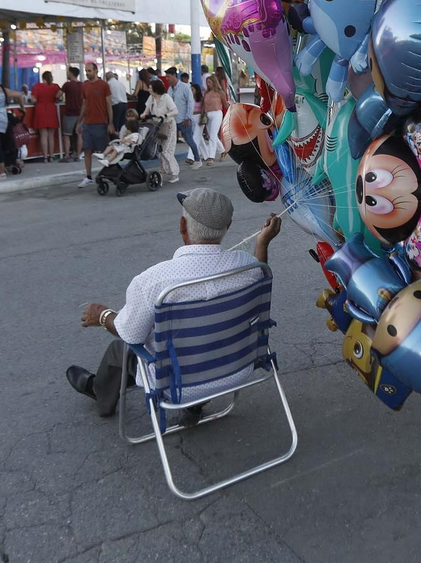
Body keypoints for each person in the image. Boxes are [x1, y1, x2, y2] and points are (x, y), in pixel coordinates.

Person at [65, 189, 282, 421]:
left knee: (120, 349)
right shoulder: (249, 267)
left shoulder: (154, 281)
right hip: (236, 370)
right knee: (207, 334)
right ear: (227, 226)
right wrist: (262, 242)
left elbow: (130, 335)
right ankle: (195, 405)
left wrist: (102, 315)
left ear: (182, 226)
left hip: (177, 385)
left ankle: (100, 392)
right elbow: (260, 275)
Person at [77, 63, 115, 188]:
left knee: (104, 151)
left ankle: (108, 173)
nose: (87, 73)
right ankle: (88, 177)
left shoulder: (104, 85)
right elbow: (84, 104)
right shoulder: (85, 86)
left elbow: (108, 104)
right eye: (86, 71)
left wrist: (110, 122)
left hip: (101, 123)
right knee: (87, 149)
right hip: (87, 123)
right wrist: (79, 121)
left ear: (96, 71)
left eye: (89, 71)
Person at [142, 78, 180, 184]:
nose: (149, 89)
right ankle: (162, 172)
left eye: (150, 88)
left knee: (167, 151)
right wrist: (143, 115)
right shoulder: (151, 98)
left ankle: (174, 173)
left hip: (168, 126)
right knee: (160, 150)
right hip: (157, 126)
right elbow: (146, 111)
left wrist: (165, 115)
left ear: (156, 89)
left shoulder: (166, 97)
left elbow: (175, 111)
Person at [165, 69, 200, 166]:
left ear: (174, 75)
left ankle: (197, 159)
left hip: (183, 119)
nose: (167, 79)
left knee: (189, 140)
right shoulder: (170, 89)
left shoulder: (185, 87)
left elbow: (190, 102)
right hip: (172, 120)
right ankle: (170, 162)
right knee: (170, 142)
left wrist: (188, 117)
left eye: (168, 76)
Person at [30, 70, 61, 161]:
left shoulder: (37, 86)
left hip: (40, 110)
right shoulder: (55, 87)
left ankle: (45, 157)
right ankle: (51, 156)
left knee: (43, 135)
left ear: (42, 78)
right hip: (51, 110)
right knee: (51, 135)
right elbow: (58, 98)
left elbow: (34, 100)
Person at [60, 66, 85, 162]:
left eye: (68, 72)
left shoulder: (67, 85)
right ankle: (78, 155)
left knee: (67, 135)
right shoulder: (82, 85)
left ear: (71, 73)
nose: (67, 74)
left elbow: (58, 95)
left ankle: (67, 155)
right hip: (81, 113)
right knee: (79, 134)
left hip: (69, 113)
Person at [198, 78, 225, 167]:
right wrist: (202, 115)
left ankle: (211, 157)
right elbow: (203, 105)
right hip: (208, 114)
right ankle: (222, 151)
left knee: (213, 136)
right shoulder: (206, 93)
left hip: (217, 113)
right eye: (207, 82)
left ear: (214, 82)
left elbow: (225, 103)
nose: (208, 84)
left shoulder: (220, 92)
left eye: (209, 82)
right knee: (211, 135)